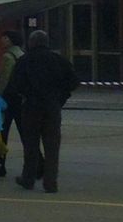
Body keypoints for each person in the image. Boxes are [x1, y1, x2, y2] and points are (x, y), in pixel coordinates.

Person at [7, 30, 79, 193]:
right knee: (52, 146)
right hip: (52, 107)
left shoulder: (24, 61)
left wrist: (26, 94)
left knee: (31, 145)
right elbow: (73, 81)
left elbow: (15, 84)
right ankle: (50, 182)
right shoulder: (59, 60)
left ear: (31, 43)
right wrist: (60, 97)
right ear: (47, 43)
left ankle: (28, 178)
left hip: (31, 106)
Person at [0, 31, 24, 150]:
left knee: (2, 130)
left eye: (5, 38)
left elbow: (4, 79)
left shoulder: (8, 57)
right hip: (20, 97)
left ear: (11, 40)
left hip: (8, 98)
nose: (2, 40)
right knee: (24, 131)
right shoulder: (22, 55)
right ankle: (37, 161)